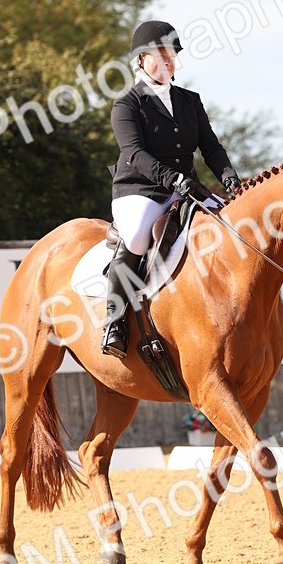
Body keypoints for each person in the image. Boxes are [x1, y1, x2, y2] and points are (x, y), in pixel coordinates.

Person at [101, 19, 241, 358]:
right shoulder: (127, 104)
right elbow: (134, 153)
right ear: (141, 61)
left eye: (172, 55)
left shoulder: (189, 100)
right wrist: (174, 180)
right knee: (135, 235)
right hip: (140, 190)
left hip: (186, 188)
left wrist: (230, 178)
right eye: (159, 55)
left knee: (229, 225)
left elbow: (211, 147)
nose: (167, 61)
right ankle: (115, 320)